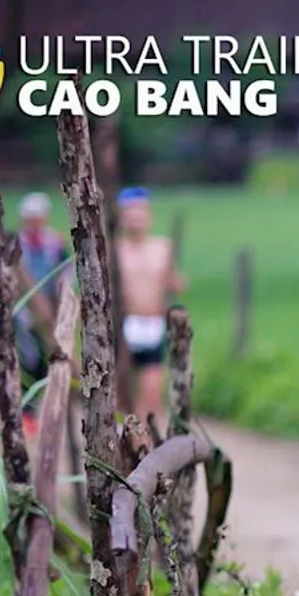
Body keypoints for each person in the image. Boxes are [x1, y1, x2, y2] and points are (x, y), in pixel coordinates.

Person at [113, 186, 185, 436]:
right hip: (124, 324)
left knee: (152, 389)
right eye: (130, 215)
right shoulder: (116, 250)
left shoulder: (163, 248)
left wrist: (175, 283)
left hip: (153, 323)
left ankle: (146, 437)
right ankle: (126, 435)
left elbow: (174, 282)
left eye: (140, 214)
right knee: (121, 389)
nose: (136, 220)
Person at [12, 191, 69, 440]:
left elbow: (65, 274)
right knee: (28, 359)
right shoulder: (16, 244)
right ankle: (26, 412)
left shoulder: (55, 243)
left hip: (49, 310)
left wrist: (60, 302)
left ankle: (41, 410)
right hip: (23, 311)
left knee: (48, 359)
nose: (35, 220)